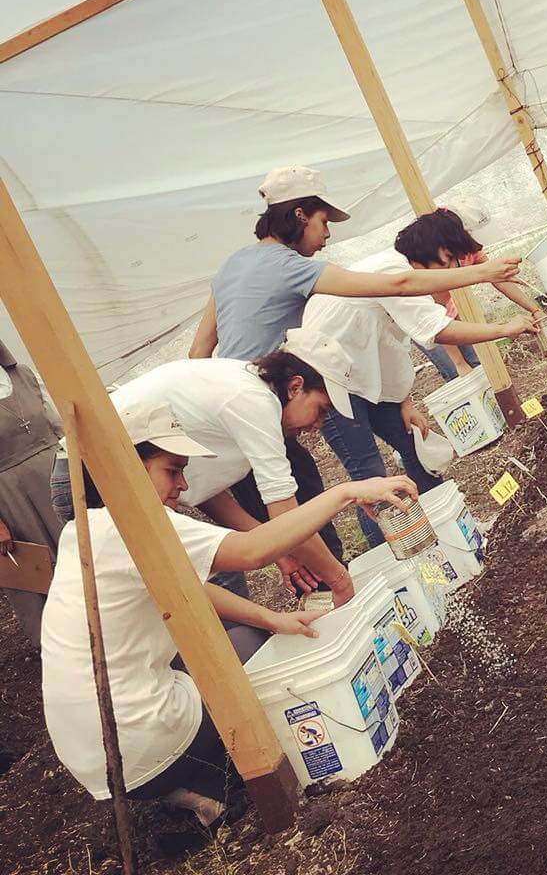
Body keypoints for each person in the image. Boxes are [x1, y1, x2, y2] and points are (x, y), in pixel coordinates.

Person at [41, 397, 416, 832]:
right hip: (141, 740)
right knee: (249, 654)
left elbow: (188, 591)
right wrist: (347, 491)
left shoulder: (84, 533)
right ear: (124, 468)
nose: (182, 484)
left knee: (240, 639)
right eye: (171, 469)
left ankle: (186, 785)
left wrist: (272, 618)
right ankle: (214, 778)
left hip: (98, 759)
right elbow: (254, 550)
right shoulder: (136, 526)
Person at [187, 167, 523, 591]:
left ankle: (352, 588)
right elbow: (396, 283)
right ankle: (359, 590)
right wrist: (479, 273)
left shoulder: (231, 266)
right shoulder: (287, 266)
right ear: (299, 215)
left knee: (271, 536)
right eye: (324, 222)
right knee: (302, 524)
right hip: (262, 408)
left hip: (229, 410)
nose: (327, 235)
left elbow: (197, 354)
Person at [52, 333, 360, 603]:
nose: (318, 425)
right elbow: (286, 515)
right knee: (161, 593)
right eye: (321, 410)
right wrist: (340, 581)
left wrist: (278, 550)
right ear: (295, 386)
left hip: (91, 464)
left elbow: (204, 491)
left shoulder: (238, 388)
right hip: (89, 473)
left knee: (204, 578)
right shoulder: (253, 401)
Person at [302, 219, 540, 545]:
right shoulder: (391, 271)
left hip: (362, 378)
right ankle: (398, 559)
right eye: (456, 267)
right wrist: (503, 328)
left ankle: (451, 537)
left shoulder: (401, 275)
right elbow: (438, 330)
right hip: (327, 386)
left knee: (416, 447)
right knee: (370, 476)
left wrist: (404, 401)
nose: (455, 281)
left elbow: (393, 343)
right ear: (443, 254)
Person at [396, 201, 541, 380]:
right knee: (457, 372)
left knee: (475, 362)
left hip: (447, 312)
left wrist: (534, 309)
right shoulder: (423, 267)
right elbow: (435, 325)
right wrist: (459, 363)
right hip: (424, 319)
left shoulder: (468, 252)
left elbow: (499, 280)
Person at [0, 339, 64, 647]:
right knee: (42, 576)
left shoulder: (23, 375)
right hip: (11, 503)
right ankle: (69, 649)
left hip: (59, 483)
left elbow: (58, 429)